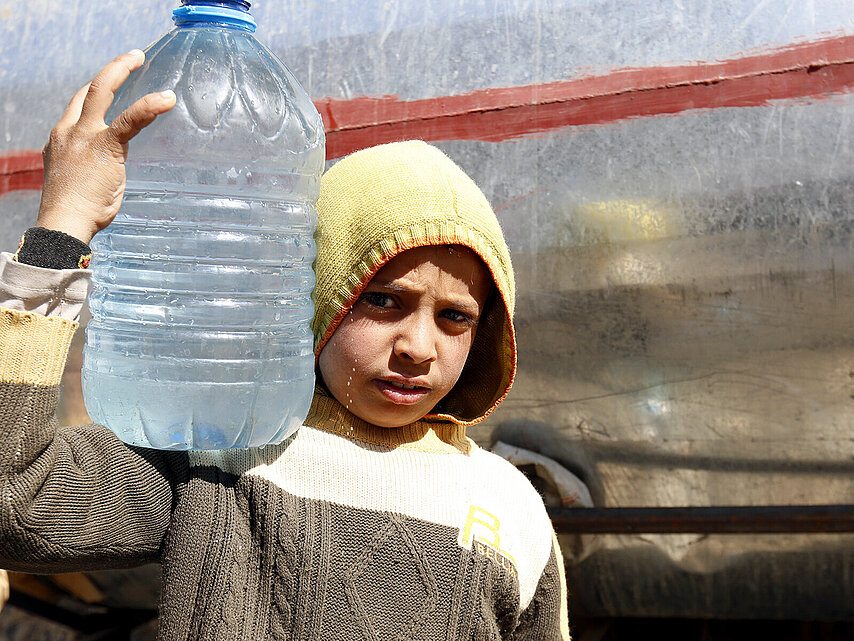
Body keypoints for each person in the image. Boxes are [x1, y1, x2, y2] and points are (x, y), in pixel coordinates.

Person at [0, 51, 570, 640]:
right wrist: (63, 224)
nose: (419, 347)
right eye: (380, 300)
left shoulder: (510, 511)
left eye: (455, 316)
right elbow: (14, 504)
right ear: (314, 295)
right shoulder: (220, 458)